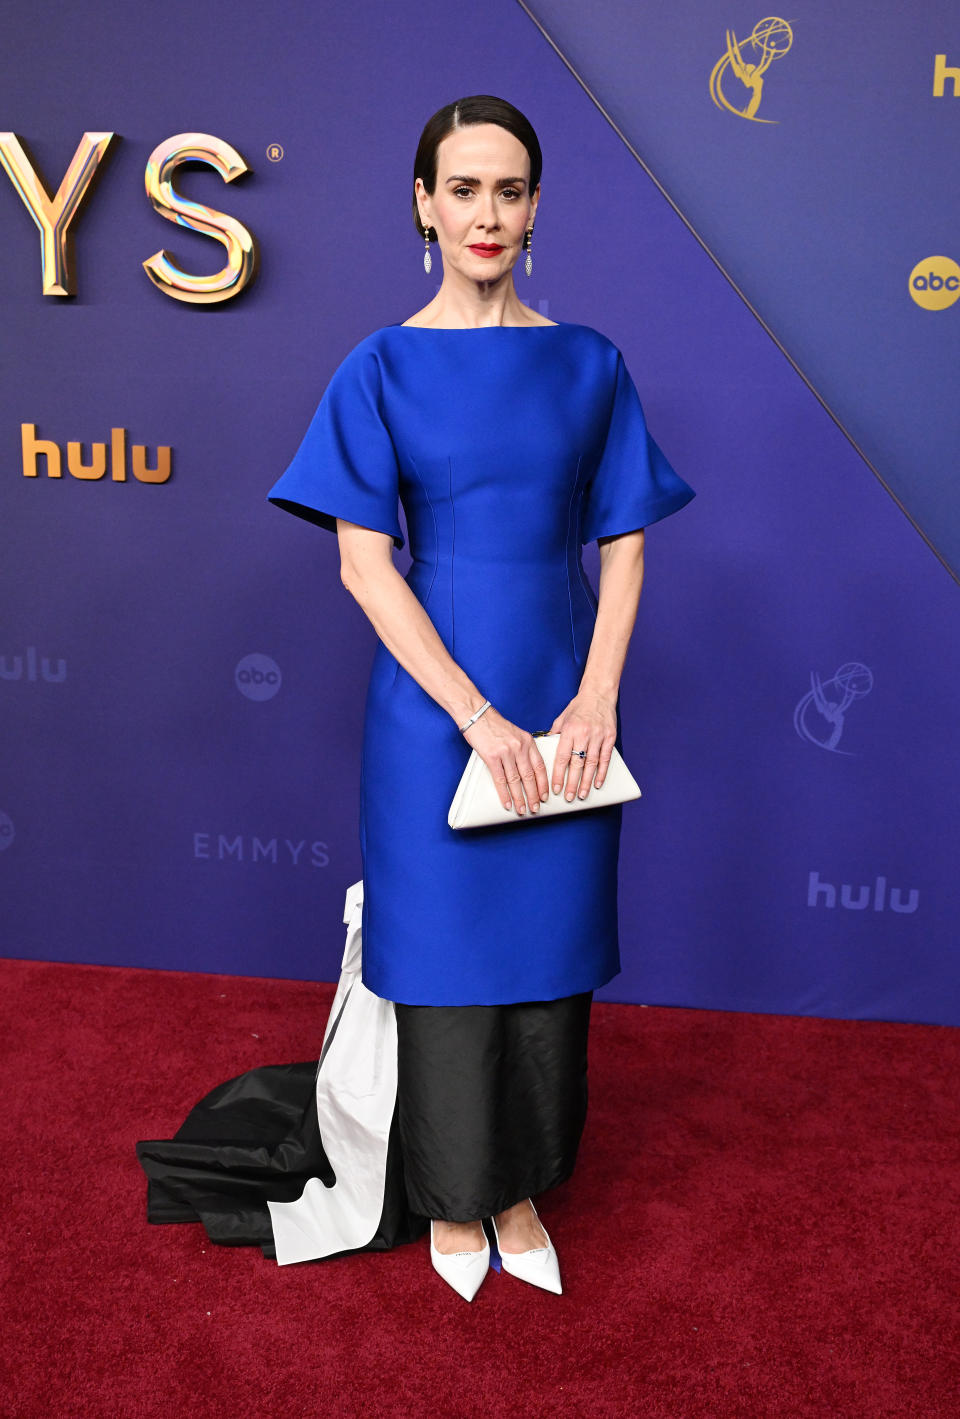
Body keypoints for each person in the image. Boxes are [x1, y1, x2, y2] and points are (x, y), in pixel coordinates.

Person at [135, 93, 695, 1303]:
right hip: (433, 717)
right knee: (441, 958)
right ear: (423, 205)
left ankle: (520, 1181)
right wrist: (479, 721)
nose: (484, 213)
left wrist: (594, 700)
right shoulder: (379, 365)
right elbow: (360, 562)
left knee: (548, 960)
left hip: (567, 704)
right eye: (462, 188)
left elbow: (629, 545)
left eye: (508, 190)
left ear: (535, 208)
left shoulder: (590, 361)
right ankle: (451, 1196)